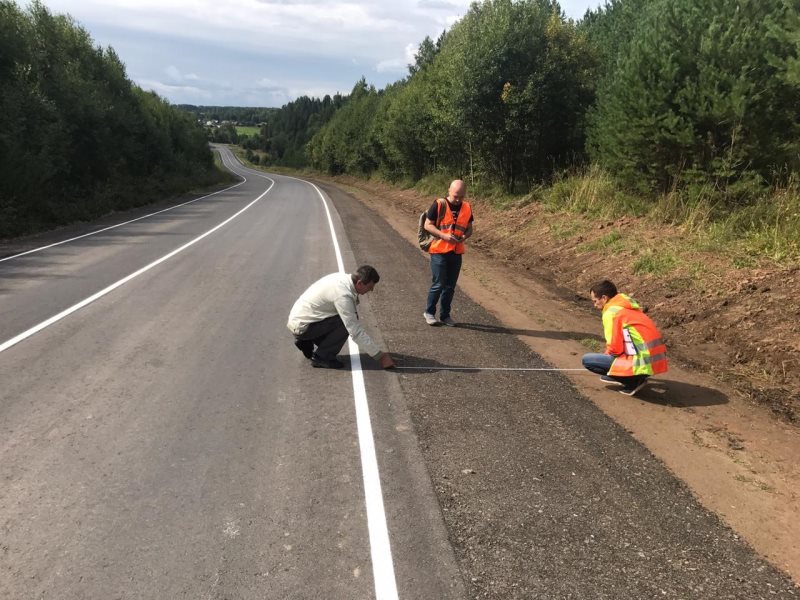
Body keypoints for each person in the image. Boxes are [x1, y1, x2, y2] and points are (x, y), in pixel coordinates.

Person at [287, 265, 395, 370]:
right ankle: (322, 357)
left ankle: (307, 340)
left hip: (301, 322)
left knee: (345, 316)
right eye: (370, 287)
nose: (371, 290)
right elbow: (355, 331)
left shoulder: (342, 279)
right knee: (346, 322)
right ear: (360, 283)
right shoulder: (343, 295)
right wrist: (379, 356)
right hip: (303, 327)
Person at [581, 279, 668, 396]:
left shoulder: (611, 313)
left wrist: (607, 361)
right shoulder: (626, 306)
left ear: (604, 298)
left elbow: (615, 349)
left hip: (641, 362)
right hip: (654, 359)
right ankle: (625, 375)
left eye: (595, 301)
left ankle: (633, 381)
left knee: (588, 360)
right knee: (608, 362)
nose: (594, 304)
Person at [422, 179, 474, 327]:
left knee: (450, 286)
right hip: (439, 251)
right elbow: (427, 225)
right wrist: (444, 236)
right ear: (449, 191)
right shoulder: (439, 204)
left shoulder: (467, 207)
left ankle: (445, 315)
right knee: (439, 284)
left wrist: (464, 236)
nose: (458, 199)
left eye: (461, 196)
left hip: (456, 252)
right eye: (456, 195)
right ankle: (429, 312)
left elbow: (470, 228)